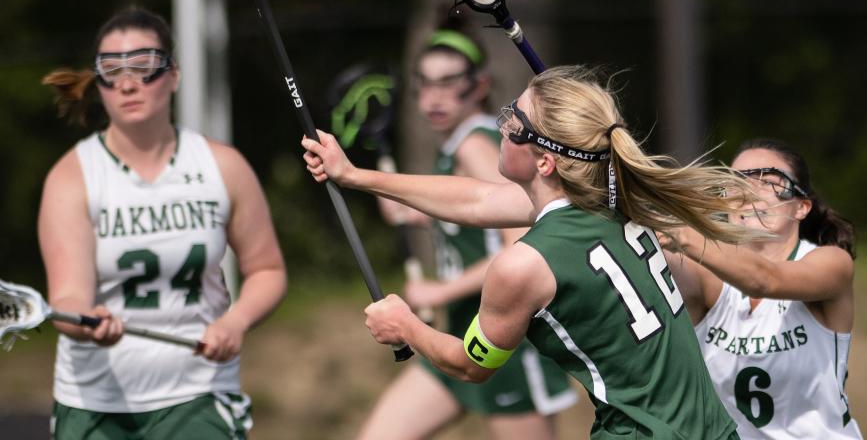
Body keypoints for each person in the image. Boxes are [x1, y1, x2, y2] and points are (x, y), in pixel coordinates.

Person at [304, 64, 760, 439]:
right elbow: (476, 200)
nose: (500, 127)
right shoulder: (611, 200)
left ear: (544, 161)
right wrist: (356, 176)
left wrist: (404, 323)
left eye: (514, 122)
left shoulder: (524, 265)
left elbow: (469, 364)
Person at [38, 7, 287, 439]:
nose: (128, 83)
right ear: (99, 85)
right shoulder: (72, 176)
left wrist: (236, 321)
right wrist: (88, 319)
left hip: (198, 393)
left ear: (173, 74)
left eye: (143, 65)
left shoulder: (221, 167)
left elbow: (267, 269)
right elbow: (67, 295)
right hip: (95, 401)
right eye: (111, 70)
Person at [359, 27, 576, 440]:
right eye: (425, 83)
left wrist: (440, 291)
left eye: (449, 83)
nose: (435, 97)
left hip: (502, 345)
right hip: (455, 336)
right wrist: (423, 214)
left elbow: (520, 251)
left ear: (479, 86)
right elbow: (477, 214)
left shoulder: (474, 147)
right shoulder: (456, 147)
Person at [655, 138, 862, 438]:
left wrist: (683, 233)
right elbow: (654, 254)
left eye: (770, 181)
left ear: (802, 206)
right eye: (737, 181)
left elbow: (766, 279)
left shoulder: (832, 262)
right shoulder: (707, 276)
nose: (750, 191)